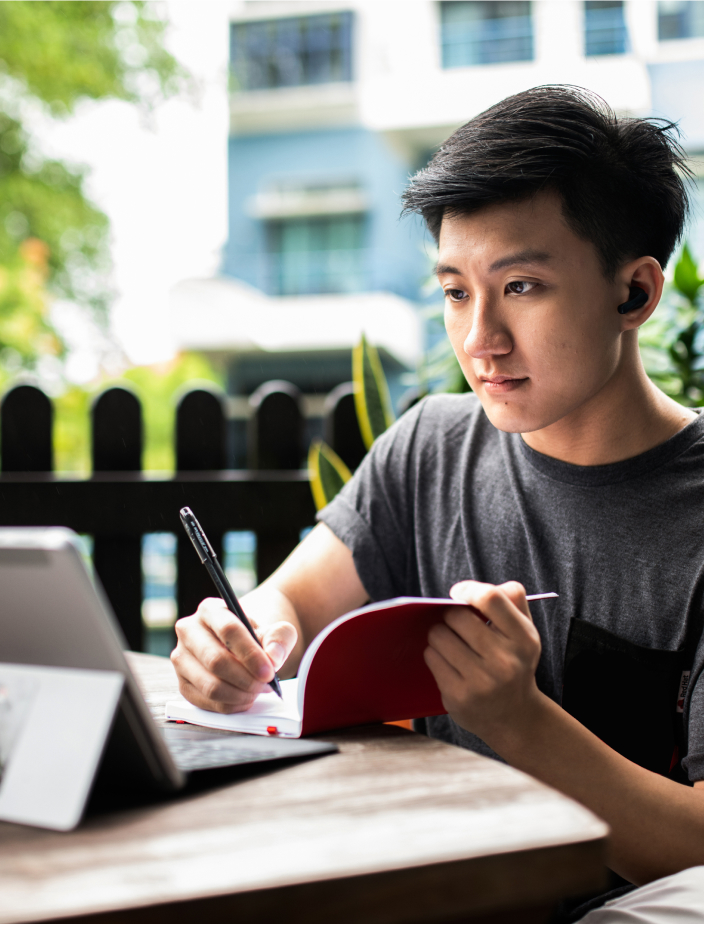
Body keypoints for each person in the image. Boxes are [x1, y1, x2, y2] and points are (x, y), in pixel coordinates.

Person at [171, 87, 703, 922]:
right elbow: (291, 603)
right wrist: (235, 645)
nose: (480, 339)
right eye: (456, 292)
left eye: (521, 287)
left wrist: (520, 721)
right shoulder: (433, 445)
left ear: (634, 293)